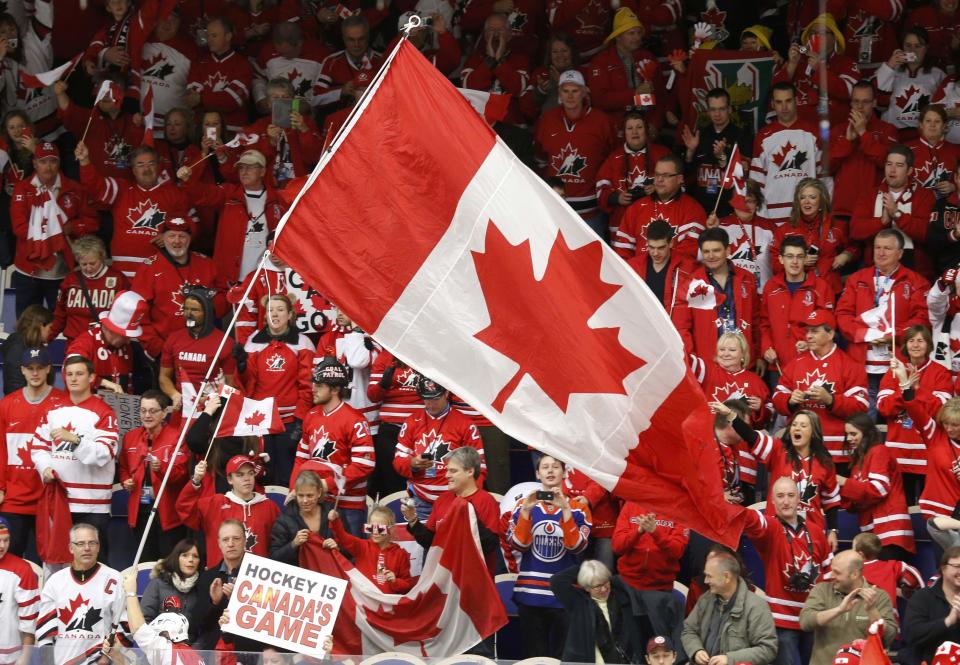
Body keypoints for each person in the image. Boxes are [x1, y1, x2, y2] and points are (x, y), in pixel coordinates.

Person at [29, 356, 119, 560]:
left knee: (94, 562)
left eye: (79, 374)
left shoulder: (105, 413)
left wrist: (75, 440)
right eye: (69, 374)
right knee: (59, 560)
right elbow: (39, 447)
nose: (73, 379)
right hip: (59, 501)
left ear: (92, 377)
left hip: (92, 505)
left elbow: (104, 453)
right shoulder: (52, 411)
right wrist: (45, 468)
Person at [714, 402, 839, 543]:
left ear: (813, 432)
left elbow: (831, 501)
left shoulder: (824, 462)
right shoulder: (778, 450)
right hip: (778, 532)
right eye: (794, 425)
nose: (797, 428)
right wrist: (731, 416)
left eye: (803, 426)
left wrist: (833, 531)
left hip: (812, 533)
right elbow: (751, 436)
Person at [836, 229, 931, 414]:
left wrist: (894, 335)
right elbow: (842, 316)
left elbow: (922, 320)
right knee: (864, 421)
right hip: (862, 363)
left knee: (898, 416)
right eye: (877, 247)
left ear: (900, 253)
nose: (880, 253)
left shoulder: (915, 281)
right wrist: (866, 334)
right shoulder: (857, 279)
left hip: (898, 363)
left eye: (887, 248)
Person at [508, 454, 592, 658]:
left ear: (564, 473)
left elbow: (576, 547)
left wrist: (565, 511)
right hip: (530, 594)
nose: (551, 470)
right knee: (533, 657)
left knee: (561, 657)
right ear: (537, 474)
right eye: (545, 467)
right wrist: (527, 512)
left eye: (556, 466)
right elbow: (519, 545)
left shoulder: (578, 509)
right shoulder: (522, 506)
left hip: (563, 596)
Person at [742, 477, 832, 665]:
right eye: (780, 496)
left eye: (791, 495)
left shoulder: (816, 531)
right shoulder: (770, 528)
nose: (786, 501)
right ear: (772, 501)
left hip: (812, 617)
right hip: (782, 621)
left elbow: (829, 572)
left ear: (799, 499)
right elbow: (753, 521)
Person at [76, 141, 192, 278]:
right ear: (134, 170)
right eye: (140, 165)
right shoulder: (121, 189)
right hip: (122, 274)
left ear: (159, 167)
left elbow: (191, 224)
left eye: (151, 164)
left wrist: (170, 236)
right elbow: (95, 186)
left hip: (158, 273)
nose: (146, 169)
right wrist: (84, 161)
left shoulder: (174, 194)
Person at [9, 141, 96, 316]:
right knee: (25, 328)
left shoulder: (75, 189)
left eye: (52, 161)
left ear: (59, 163)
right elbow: (19, 228)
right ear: (34, 163)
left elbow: (92, 222)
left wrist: (73, 227)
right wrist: (50, 231)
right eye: (43, 161)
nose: (48, 167)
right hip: (28, 271)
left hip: (62, 272)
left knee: (63, 328)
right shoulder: (22, 188)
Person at [773, 310, 869, 465]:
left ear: (830, 334)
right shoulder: (795, 363)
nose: (808, 336)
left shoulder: (849, 365)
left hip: (837, 452)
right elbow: (777, 399)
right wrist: (790, 400)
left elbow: (861, 406)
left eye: (815, 331)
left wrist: (830, 400)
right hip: (799, 449)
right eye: (807, 331)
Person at [177, 149, 287, 284]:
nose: (244, 171)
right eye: (241, 167)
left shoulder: (277, 200)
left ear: (262, 172)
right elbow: (202, 194)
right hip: (231, 278)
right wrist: (188, 180)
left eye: (250, 167)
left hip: (266, 277)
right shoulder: (229, 194)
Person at [294, 358, 375, 537]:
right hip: (318, 504)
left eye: (320, 385)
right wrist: (295, 487)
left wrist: (326, 484)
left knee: (348, 560)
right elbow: (301, 457)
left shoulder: (356, 420)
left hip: (348, 505)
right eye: (314, 383)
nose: (313, 388)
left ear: (336, 389)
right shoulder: (311, 415)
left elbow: (364, 465)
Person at [131, 216, 226, 362]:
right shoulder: (149, 268)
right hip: (165, 349)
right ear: (162, 238)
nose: (176, 241)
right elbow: (137, 312)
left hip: (203, 349)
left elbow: (224, 297)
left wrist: (209, 304)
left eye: (182, 236)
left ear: (190, 238)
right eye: (171, 236)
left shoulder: (207, 264)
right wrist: (157, 349)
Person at [242, 294, 314, 486]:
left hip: (289, 422)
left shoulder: (303, 342)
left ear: (290, 314)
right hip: (260, 421)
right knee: (261, 474)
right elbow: (248, 384)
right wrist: (240, 366)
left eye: (280, 310)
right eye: (270, 310)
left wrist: (299, 421)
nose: (274, 314)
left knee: (287, 476)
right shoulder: (253, 342)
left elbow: (307, 386)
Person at [533, 69, 614, 236]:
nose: (570, 96)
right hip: (555, 210)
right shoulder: (547, 120)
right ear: (559, 94)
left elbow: (612, 159)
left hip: (592, 214)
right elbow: (540, 159)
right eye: (566, 91)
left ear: (584, 92)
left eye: (575, 91)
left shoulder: (601, 121)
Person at [877, 324, 953, 502]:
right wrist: (904, 387)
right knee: (904, 509)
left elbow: (942, 411)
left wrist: (917, 389)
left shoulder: (940, 373)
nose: (916, 345)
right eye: (911, 340)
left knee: (929, 508)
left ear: (929, 345)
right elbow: (883, 408)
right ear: (905, 345)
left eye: (921, 340)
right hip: (898, 455)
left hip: (929, 454)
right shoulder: (893, 373)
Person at [394, 375, 486, 521]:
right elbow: (398, 460)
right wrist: (411, 464)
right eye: (426, 398)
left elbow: (479, 467)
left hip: (455, 500)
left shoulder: (465, 424)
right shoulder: (412, 421)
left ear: (446, 393)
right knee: (422, 542)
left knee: (455, 543)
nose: (430, 404)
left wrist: (469, 498)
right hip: (420, 500)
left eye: (435, 398)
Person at [0, 347, 63, 556]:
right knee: (8, 562)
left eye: (39, 368)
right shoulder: (7, 404)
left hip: (48, 498)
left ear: (48, 369)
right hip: (14, 499)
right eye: (30, 368)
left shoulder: (62, 403)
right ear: (22, 371)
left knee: (48, 563)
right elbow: (1, 449)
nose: (34, 373)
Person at [35, 523, 126, 665]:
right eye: (80, 544)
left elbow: (124, 625)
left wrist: (107, 658)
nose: (87, 548)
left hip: (99, 661)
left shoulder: (114, 578)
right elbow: (45, 631)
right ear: (71, 548)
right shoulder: (55, 581)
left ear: (99, 546)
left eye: (92, 543)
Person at [402, 446, 501, 575]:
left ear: (470, 471)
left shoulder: (486, 501)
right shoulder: (442, 500)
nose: (447, 475)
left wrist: (468, 515)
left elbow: (490, 546)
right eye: (447, 470)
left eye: (453, 471)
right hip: (444, 578)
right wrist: (413, 520)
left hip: (473, 581)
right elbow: (431, 543)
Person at [119, 389, 190, 561]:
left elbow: (181, 474)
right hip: (140, 511)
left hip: (168, 515)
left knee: (169, 566)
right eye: (143, 410)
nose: (147, 415)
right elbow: (123, 467)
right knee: (144, 563)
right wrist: (125, 481)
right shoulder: (130, 437)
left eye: (152, 411)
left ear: (164, 412)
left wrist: (161, 468)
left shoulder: (177, 437)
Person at [673, 227, 759, 366]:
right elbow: (682, 328)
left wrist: (757, 355)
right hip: (708, 364)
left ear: (728, 250)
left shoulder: (747, 279)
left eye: (716, 250)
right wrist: (692, 361)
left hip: (742, 362)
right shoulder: (691, 284)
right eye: (706, 251)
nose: (711, 256)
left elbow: (756, 320)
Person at [177, 455, 280, 567]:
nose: (247, 478)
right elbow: (185, 509)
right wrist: (196, 481)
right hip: (221, 577)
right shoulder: (215, 504)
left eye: (250, 473)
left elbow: (278, 546)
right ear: (230, 479)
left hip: (255, 579)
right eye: (240, 475)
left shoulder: (269, 506)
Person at [613, 501, 689, 651]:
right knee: (630, 646)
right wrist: (639, 531)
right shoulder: (630, 505)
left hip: (659, 590)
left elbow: (677, 551)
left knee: (659, 647)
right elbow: (617, 546)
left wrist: (655, 532)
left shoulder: (679, 509)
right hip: (629, 587)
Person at [798, 550, 896, 665]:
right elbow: (805, 622)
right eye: (831, 570)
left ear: (854, 574)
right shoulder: (821, 590)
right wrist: (839, 610)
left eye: (837, 572)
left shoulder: (879, 596)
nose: (832, 575)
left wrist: (872, 610)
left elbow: (889, 637)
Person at [850, 144, 936, 275]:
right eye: (889, 164)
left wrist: (897, 215)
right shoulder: (869, 195)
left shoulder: (924, 195)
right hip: (874, 272)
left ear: (909, 171)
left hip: (915, 272)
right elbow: (855, 230)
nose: (892, 170)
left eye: (899, 165)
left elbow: (926, 233)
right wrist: (882, 222)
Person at [840, 413, 915, 559]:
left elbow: (878, 489)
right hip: (873, 535)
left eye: (853, 433)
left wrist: (845, 483)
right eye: (847, 434)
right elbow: (854, 503)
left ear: (867, 433)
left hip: (891, 532)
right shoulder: (857, 462)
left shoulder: (879, 450)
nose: (849, 438)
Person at [681, 552, 778, 665]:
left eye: (710, 576)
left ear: (726, 577)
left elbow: (768, 649)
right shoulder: (705, 599)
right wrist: (696, 650)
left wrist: (730, 659)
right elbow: (688, 630)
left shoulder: (756, 606)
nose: (705, 581)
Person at [759, 237, 836, 373]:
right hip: (777, 365)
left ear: (805, 259)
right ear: (781, 259)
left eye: (799, 257)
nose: (795, 262)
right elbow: (764, 323)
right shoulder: (770, 287)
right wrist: (766, 348)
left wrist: (811, 343)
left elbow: (828, 327)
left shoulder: (820, 287)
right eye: (789, 256)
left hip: (811, 363)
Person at [157, 285, 236, 416]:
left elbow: (232, 385)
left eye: (195, 310)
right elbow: (163, 377)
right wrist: (174, 394)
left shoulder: (225, 343)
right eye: (186, 309)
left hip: (211, 412)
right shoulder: (174, 338)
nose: (189, 314)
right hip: (181, 409)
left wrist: (211, 401)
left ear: (207, 313)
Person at [749, 82, 823, 221]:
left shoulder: (813, 133)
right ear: (773, 104)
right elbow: (756, 182)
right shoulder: (763, 136)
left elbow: (823, 178)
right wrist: (762, 217)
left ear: (796, 101)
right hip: (772, 218)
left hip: (808, 216)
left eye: (788, 101)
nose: (784, 107)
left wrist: (823, 210)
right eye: (779, 102)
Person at [773, 14, 860, 127]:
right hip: (796, 133)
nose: (816, 36)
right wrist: (792, 64)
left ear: (834, 38)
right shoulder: (799, 62)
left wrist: (819, 70)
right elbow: (775, 92)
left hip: (833, 133)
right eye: (812, 33)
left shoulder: (846, 63)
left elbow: (850, 92)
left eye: (822, 33)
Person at [550, 560, 644, 664]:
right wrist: (587, 567)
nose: (604, 589)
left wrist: (600, 570)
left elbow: (627, 580)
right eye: (597, 586)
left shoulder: (621, 597)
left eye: (606, 583)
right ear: (586, 587)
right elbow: (557, 581)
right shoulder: (579, 603)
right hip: (587, 661)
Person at [614, 154, 707, 260]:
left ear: (679, 179)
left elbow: (689, 254)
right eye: (657, 174)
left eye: (666, 175)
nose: (659, 179)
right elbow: (622, 252)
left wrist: (659, 271)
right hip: (638, 274)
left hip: (675, 274)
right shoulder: (636, 208)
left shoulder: (693, 210)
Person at [828, 81, 898, 221]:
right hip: (843, 208)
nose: (859, 107)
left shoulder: (888, 129)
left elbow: (888, 164)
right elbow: (827, 167)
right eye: (856, 101)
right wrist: (847, 141)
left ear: (874, 103)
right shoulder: (838, 130)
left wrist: (863, 133)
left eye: (865, 102)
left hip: (874, 208)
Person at [771, 178, 853, 295]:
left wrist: (847, 255)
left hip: (830, 291)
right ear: (797, 202)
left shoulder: (837, 226)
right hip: (796, 292)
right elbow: (775, 265)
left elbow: (854, 247)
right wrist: (799, 261)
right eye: (802, 197)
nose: (807, 201)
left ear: (821, 201)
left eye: (812, 197)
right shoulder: (784, 231)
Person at [680, 88, 754, 218]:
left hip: (730, 211)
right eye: (713, 109)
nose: (717, 114)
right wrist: (690, 152)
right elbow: (686, 176)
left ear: (730, 109)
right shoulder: (699, 135)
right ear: (708, 111)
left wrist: (723, 157)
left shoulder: (741, 135)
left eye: (722, 109)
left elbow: (744, 173)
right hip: (701, 210)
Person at [596, 110, 669, 238]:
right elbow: (600, 190)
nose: (634, 132)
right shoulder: (614, 158)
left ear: (646, 130)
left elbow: (679, 185)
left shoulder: (662, 154)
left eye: (639, 127)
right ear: (624, 132)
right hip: (621, 224)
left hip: (656, 224)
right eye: (629, 128)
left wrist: (659, 189)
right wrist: (616, 198)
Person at [587, 8, 661, 126]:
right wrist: (635, 94)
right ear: (618, 36)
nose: (637, 38)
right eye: (631, 33)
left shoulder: (648, 58)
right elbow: (599, 100)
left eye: (638, 33)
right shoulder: (601, 62)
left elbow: (660, 95)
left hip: (644, 126)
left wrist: (654, 124)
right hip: (614, 129)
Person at [49, 235, 129, 344]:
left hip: (105, 344)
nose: (88, 268)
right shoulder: (71, 280)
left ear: (102, 257)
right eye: (83, 264)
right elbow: (60, 314)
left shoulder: (118, 279)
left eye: (92, 263)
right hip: (75, 344)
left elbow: (125, 316)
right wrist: (47, 338)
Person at [65, 290, 148, 394]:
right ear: (111, 329)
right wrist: (102, 382)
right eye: (125, 336)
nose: (128, 341)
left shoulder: (126, 347)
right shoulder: (85, 343)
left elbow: (128, 386)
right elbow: (68, 371)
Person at [115, 570, 201, 665]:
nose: (157, 638)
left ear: (169, 635)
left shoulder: (166, 650)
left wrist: (130, 592)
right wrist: (115, 654)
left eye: (160, 635)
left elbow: (138, 629)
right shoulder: (196, 658)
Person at [324, 504, 415, 593]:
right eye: (370, 528)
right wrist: (335, 521)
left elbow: (407, 585)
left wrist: (396, 581)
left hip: (387, 604)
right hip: (363, 602)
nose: (375, 532)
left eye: (380, 529)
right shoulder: (362, 546)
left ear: (391, 529)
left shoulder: (400, 554)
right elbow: (343, 537)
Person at [368, 351, 423, 496]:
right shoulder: (385, 356)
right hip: (391, 428)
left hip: (421, 428)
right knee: (391, 482)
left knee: (423, 476)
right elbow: (373, 396)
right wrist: (383, 384)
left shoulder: (425, 351)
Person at [460, 13, 530, 126]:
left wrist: (499, 62)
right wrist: (490, 61)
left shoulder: (519, 59)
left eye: (501, 30)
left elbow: (518, 89)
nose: (496, 34)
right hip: (478, 124)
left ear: (510, 35)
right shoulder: (474, 59)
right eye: (491, 30)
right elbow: (469, 88)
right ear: (485, 35)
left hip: (510, 125)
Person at [185, 16, 253, 133]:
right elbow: (192, 99)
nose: (209, 40)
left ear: (228, 37)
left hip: (232, 131)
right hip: (202, 130)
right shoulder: (199, 63)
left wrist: (202, 98)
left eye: (214, 35)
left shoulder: (243, 64)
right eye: (208, 35)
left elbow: (233, 100)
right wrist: (219, 98)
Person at [709, 180, 776, 295]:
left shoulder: (770, 228)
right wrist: (711, 231)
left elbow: (779, 263)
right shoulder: (720, 225)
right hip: (729, 295)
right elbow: (706, 260)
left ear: (757, 203)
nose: (745, 206)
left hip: (762, 295)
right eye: (740, 201)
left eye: (750, 201)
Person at [877, 28, 947, 138]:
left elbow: (944, 110)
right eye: (908, 45)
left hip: (925, 135)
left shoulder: (938, 74)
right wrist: (889, 67)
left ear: (926, 48)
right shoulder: (890, 70)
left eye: (918, 46)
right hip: (893, 134)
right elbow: (879, 105)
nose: (912, 50)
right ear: (902, 47)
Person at [693, 332, 772, 429]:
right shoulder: (707, 370)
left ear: (743, 354)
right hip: (708, 433)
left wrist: (760, 408)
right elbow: (685, 360)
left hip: (741, 438)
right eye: (722, 349)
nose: (726, 354)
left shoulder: (755, 381)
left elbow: (770, 415)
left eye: (732, 350)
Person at [193, 520, 247, 651]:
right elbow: (198, 624)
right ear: (219, 544)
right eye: (225, 539)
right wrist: (214, 602)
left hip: (249, 649)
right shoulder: (207, 577)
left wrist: (239, 599)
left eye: (236, 538)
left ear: (245, 541)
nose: (230, 544)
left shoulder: (260, 573)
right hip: (214, 649)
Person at [902, 545, 960, 665]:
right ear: (943, 568)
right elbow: (911, 635)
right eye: (957, 566)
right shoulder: (923, 598)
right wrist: (948, 621)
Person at [138, 538, 204, 643]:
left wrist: (194, 652)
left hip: (190, 653)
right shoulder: (158, 584)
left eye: (195, 556)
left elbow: (204, 631)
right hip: (158, 650)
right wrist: (160, 645)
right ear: (176, 558)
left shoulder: (202, 588)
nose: (191, 560)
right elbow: (144, 620)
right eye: (185, 555)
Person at [625, 219, 694, 313]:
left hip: (672, 324)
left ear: (671, 243)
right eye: (651, 247)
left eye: (661, 248)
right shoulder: (632, 266)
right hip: (641, 321)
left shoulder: (687, 268)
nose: (655, 253)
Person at [314, 16, 384, 108]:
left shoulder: (383, 60)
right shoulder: (332, 62)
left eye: (361, 39)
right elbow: (314, 98)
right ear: (343, 39)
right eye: (351, 39)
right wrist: (341, 91)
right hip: (341, 119)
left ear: (368, 37)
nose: (356, 44)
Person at [269, 469, 329, 567]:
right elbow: (273, 558)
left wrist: (337, 547)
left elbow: (350, 552)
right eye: (301, 495)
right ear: (295, 494)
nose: (305, 500)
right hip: (300, 577)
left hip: (329, 574)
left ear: (319, 493)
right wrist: (293, 544)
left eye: (309, 495)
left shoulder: (332, 514)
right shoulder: (284, 520)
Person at [851, 532, 923, 612]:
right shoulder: (892, 566)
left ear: (860, 554)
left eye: (852, 549)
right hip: (890, 617)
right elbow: (914, 575)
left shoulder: (852, 571)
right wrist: (907, 590)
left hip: (861, 617)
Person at [0, 517, 38, 662]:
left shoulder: (22, 569)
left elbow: (30, 619)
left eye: (6, 540)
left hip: (9, 656)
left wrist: (25, 656)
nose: (2, 545)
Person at [906, 104, 960, 202]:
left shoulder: (956, 151)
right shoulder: (906, 149)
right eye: (928, 121)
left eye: (937, 121)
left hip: (946, 210)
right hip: (913, 207)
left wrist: (954, 187)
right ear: (921, 125)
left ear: (944, 126)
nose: (932, 125)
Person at [521, 33, 581, 120]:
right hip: (546, 126)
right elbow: (526, 108)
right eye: (555, 52)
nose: (560, 55)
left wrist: (561, 82)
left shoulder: (581, 73)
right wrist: (541, 91)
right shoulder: (540, 74)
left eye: (564, 51)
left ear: (572, 52)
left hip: (573, 127)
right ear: (549, 55)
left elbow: (585, 105)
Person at [1, 305, 52, 395]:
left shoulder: (34, 345)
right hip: (20, 405)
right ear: (41, 326)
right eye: (50, 327)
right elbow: (14, 387)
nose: (51, 331)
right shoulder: (17, 349)